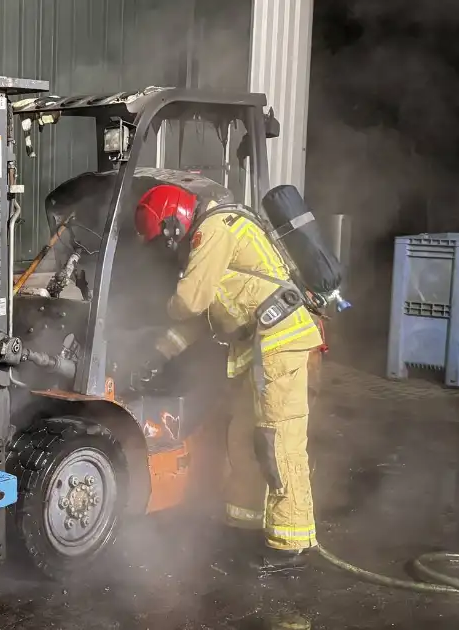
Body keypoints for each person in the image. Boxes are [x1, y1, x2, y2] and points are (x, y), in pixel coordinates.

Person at [132, 183, 324, 573]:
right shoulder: (210, 245)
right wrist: (157, 354)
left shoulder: (215, 228)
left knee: (277, 442)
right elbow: (204, 319)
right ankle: (245, 521)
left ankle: (292, 543)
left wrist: (157, 307)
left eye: (165, 241)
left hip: (280, 343)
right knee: (242, 438)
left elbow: (189, 302)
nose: (169, 250)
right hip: (257, 349)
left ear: (175, 223)